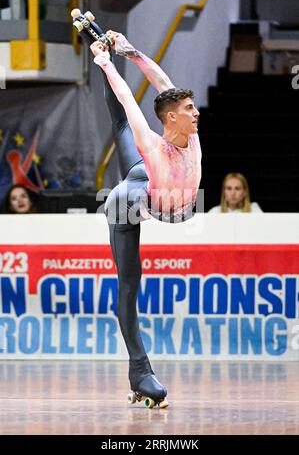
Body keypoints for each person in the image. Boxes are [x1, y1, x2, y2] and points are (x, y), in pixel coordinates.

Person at [90, 30, 201, 406]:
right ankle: (140, 370)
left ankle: (109, 48)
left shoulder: (192, 134)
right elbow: (125, 98)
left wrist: (130, 51)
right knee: (129, 282)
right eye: (189, 109)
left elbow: (163, 83)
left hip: (171, 202)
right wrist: (104, 61)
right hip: (138, 197)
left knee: (135, 174)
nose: (196, 112)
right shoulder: (152, 143)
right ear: (172, 118)